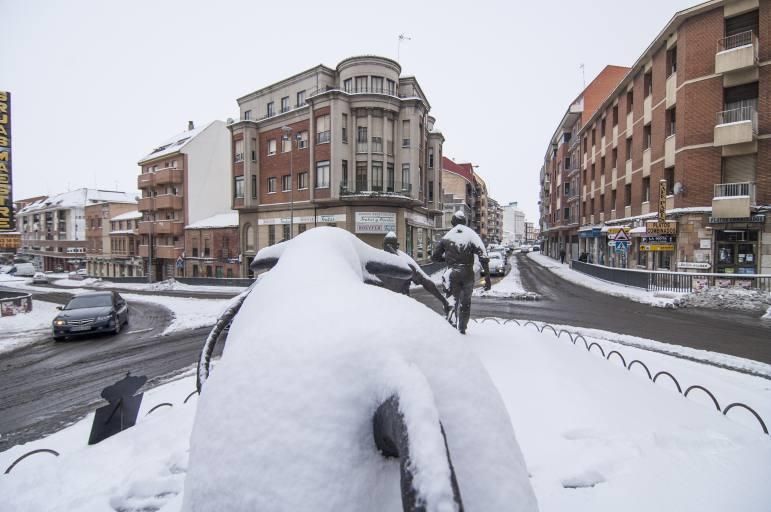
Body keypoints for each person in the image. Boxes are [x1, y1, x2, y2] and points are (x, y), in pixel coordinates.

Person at [432, 211, 491, 334]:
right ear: (465, 222)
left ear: (453, 222)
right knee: (466, 303)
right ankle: (462, 329)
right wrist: (487, 278)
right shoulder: (472, 235)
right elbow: (483, 257)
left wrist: (448, 259)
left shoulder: (447, 237)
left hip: (452, 273)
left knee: (452, 302)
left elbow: (435, 257)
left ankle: (452, 327)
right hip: (467, 274)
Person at [380, 232, 450, 315]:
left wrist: (444, 301)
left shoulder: (403, 261)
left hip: (393, 306)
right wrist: (444, 301)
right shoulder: (403, 261)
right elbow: (426, 282)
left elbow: (426, 282)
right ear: (397, 246)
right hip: (391, 306)